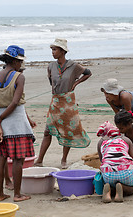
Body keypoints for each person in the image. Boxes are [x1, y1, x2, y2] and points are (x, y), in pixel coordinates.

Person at [33, 38, 92, 169]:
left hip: (68, 102)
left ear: (62, 51)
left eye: (55, 49)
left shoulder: (74, 66)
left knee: (68, 131)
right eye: (52, 49)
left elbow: (88, 73)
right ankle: (39, 160)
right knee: (47, 131)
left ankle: (64, 159)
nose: (53, 52)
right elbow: (51, 82)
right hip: (55, 101)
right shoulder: (51, 66)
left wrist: (75, 83)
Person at [0, 45, 35, 202]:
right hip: (17, 123)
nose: (20, 65)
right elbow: (15, 102)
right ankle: (17, 194)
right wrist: (0, 120)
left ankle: (0, 194)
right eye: (20, 62)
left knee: (1, 157)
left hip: (1, 121)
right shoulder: (19, 77)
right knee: (17, 159)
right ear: (16, 61)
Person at [97, 121, 133, 203]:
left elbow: (102, 161)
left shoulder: (101, 142)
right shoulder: (125, 140)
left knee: (108, 178)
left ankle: (109, 190)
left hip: (108, 174)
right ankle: (122, 188)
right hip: (126, 173)